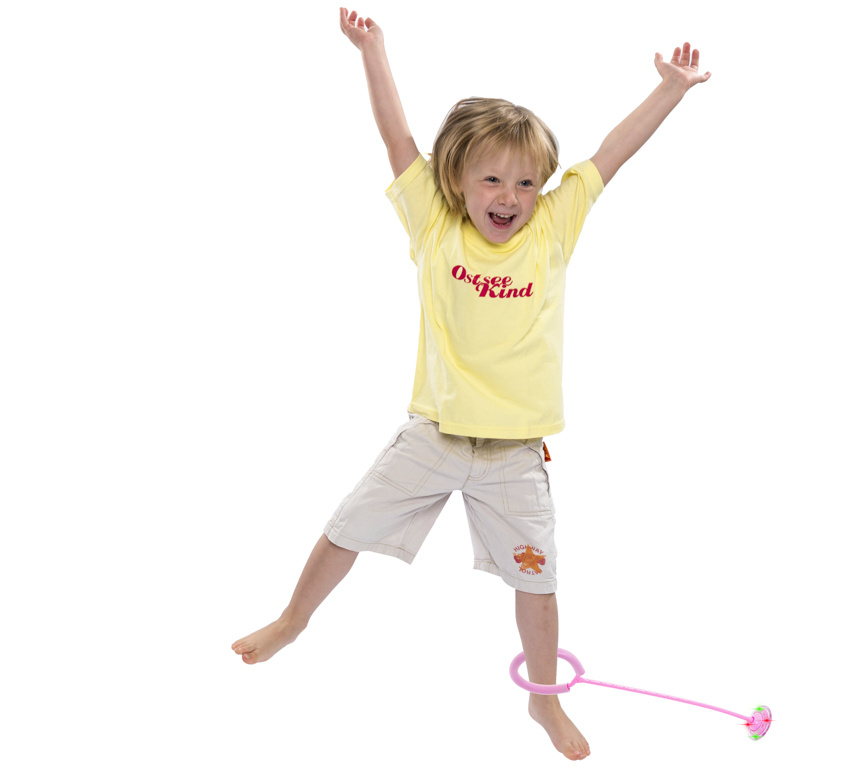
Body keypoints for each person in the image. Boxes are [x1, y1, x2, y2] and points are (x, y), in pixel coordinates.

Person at [232, 7, 711, 761]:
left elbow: (611, 153)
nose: (509, 196)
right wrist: (372, 49)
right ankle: (293, 620)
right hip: (435, 436)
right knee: (345, 527)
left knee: (539, 583)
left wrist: (671, 90)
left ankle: (544, 700)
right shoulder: (434, 224)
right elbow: (397, 138)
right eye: (491, 178)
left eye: (525, 182)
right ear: (455, 180)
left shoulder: (553, 227)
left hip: (514, 454)